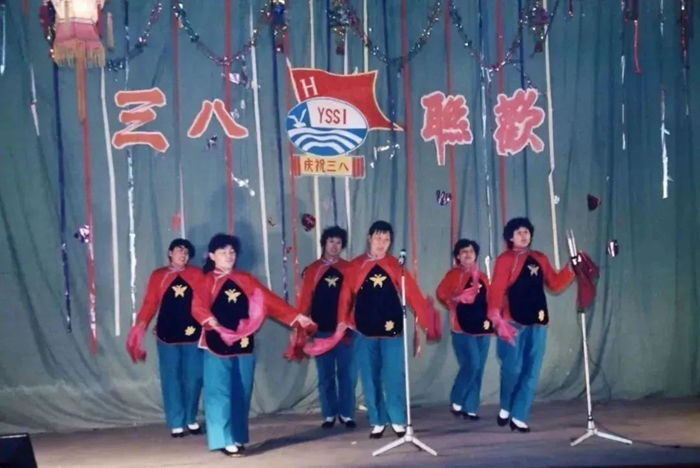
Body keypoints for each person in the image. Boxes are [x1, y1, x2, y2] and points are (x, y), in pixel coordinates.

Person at [191, 233, 317, 457]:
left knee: (242, 390)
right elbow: (197, 306)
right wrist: (211, 321)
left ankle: (237, 436)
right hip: (215, 341)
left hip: (243, 342)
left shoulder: (245, 279)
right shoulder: (206, 280)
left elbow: (270, 301)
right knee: (219, 391)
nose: (228, 256)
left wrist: (297, 317)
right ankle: (224, 439)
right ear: (212, 256)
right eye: (223, 252)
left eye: (232, 252)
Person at [337, 220, 442, 439]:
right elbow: (345, 297)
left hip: (392, 331)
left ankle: (398, 419)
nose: (381, 243)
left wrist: (428, 323)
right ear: (369, 238)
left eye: (386, 240)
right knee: (370, 377)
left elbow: (413, 295)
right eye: (378, 238)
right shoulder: (355, 266)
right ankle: (377, 420)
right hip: (364, 331)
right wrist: (342, 323)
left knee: (394, 375)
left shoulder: (396, 265)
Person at [487, 217, 575, 433]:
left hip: (538, 321)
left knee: (532, 370)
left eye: (526, 231)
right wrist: (495, 316)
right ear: (510, 237)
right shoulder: (505, 259)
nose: (523, 235)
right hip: (512, 321)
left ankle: (519, 416)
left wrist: (571, 268)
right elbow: (497, 289)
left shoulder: (540, 258)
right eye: (518, 232)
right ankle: (506, 405)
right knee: (512, 368)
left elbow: (555, 284)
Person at [125, 238, 205, 438]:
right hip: (167, 335)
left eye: (186, 251)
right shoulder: (159, 275)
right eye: (179, 250)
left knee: (194, 377)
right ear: (170, 253)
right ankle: (176, 422)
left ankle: (190, 418)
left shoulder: (197, 274)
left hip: (193, 334)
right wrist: (141, 325)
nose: (183, 254)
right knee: (172, 379)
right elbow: (150, 303)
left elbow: (206, 301)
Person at [296, 226, 358, 429]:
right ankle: (329, 414)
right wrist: (301, 325)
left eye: (339, 242)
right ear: (324, 243)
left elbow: (356, 299)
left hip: (345, 332)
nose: (334, 246)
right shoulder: (314, 269)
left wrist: (350, 322)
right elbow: (306, 300)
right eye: (331, 241)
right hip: (321, 331)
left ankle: (347, 413)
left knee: (347, 374)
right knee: (325, 374)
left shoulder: (349, 268)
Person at [436, 238, 493, 421]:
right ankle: (457, 398)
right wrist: (456, 300)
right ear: (458, 256)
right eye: (464, 251)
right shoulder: (454, 275)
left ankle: (471, 408)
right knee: (472, 365)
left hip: (483, 328)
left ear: (476, 255)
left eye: (471, 251)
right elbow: (441, 293)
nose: (468, 254)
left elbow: (490, 298)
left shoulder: (483, 276)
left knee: (479, 368)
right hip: (462, 328)